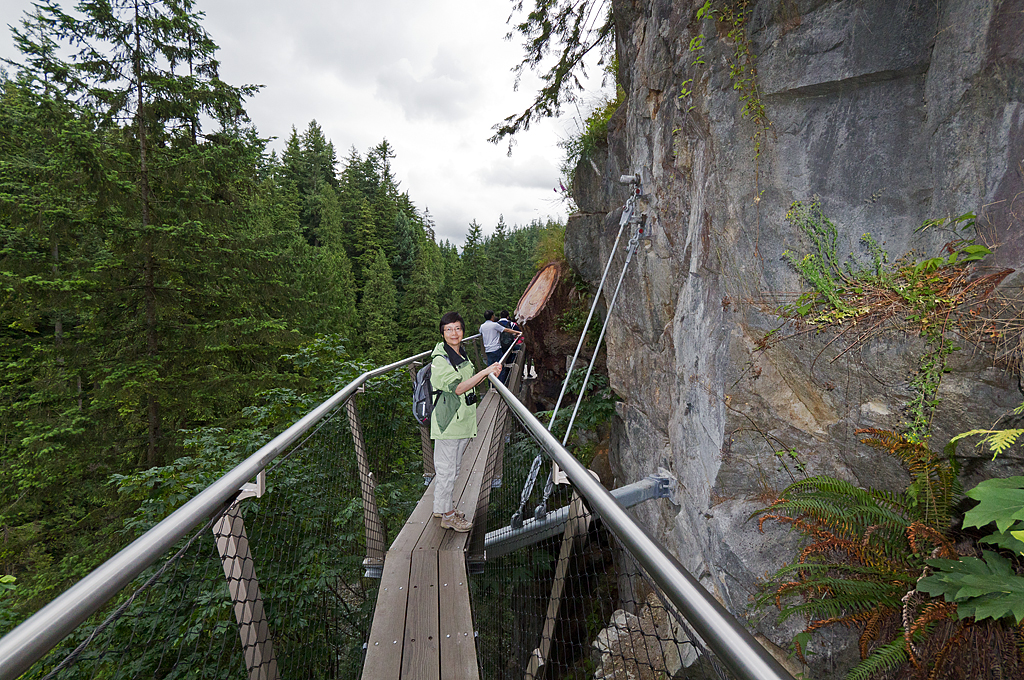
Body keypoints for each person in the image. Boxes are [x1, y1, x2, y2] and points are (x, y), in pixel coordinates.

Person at [430, 311, 501, 532]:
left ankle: (441, 507)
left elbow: (468, 380)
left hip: (461, 421)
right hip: (449, 423)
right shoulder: (440, 360)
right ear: (442, 333)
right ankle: (448, 516)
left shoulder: (460, 353)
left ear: (463, 330)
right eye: (448, 329)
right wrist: (485, 371)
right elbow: (459, 387)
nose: (454, 333)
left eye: (457, 328)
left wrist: (488, 373)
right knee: (448, 471)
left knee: (453, 468)